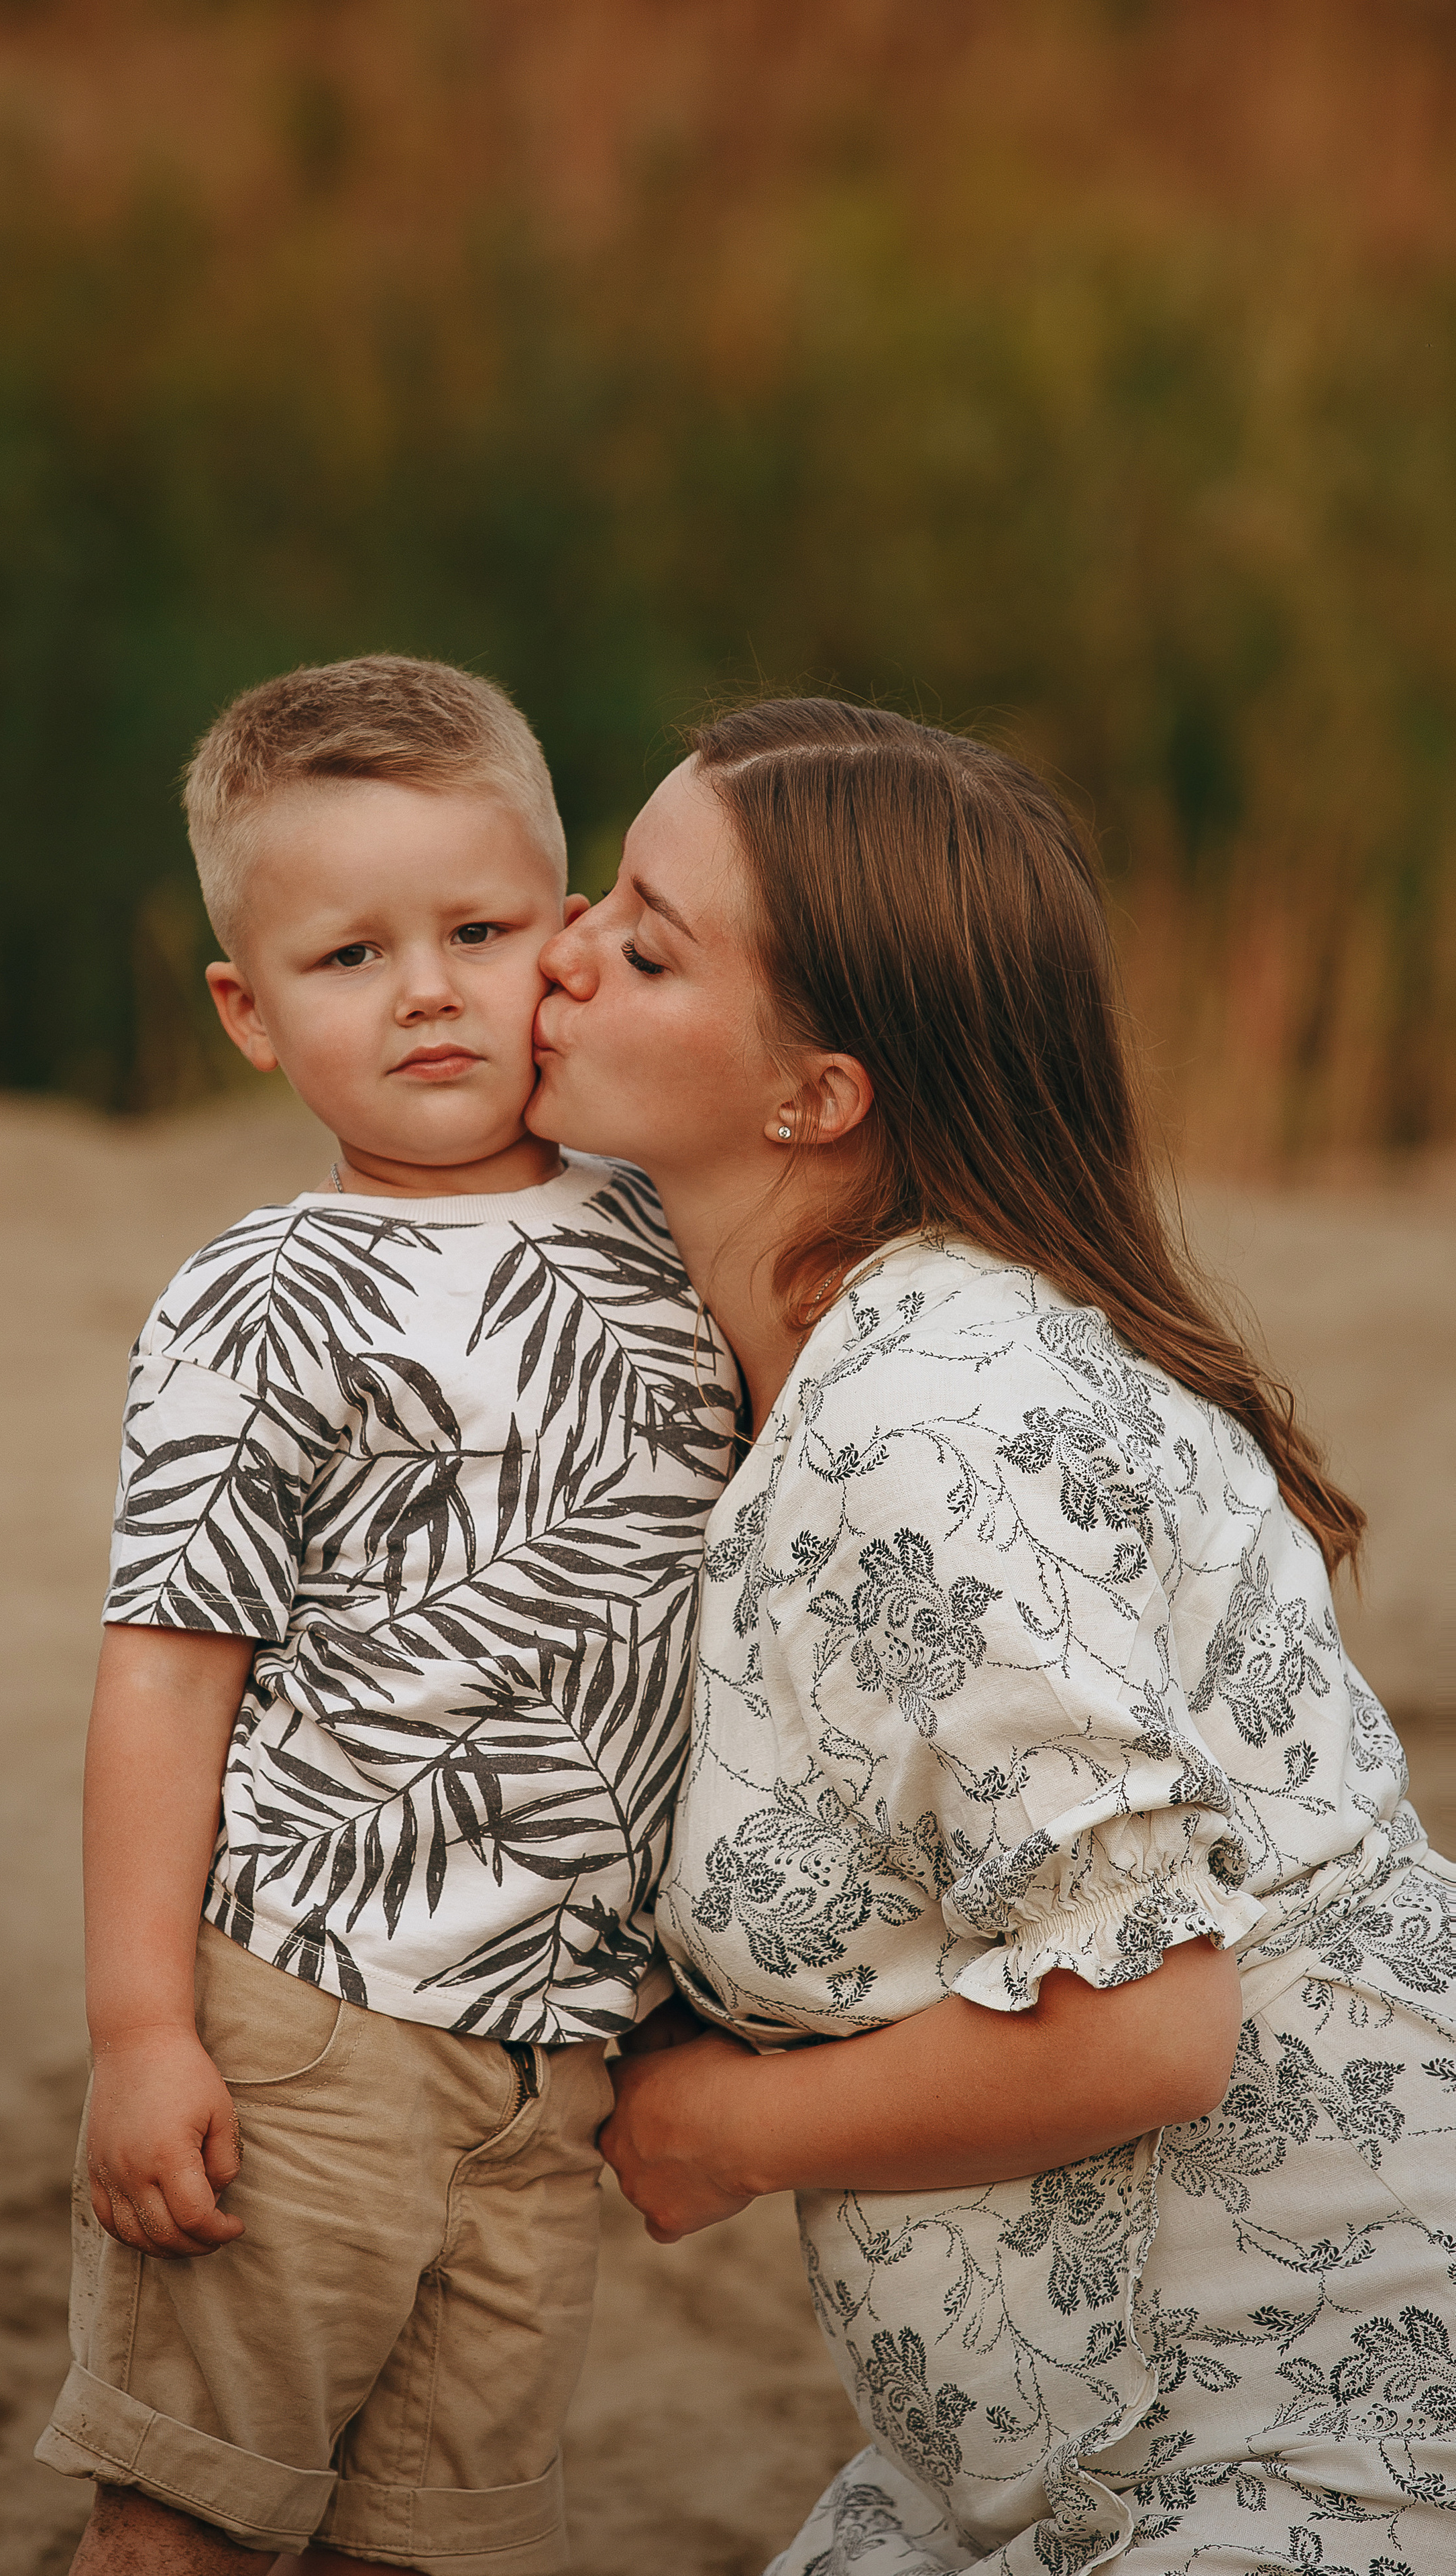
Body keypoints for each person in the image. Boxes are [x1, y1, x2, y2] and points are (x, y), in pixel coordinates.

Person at [526, 697, 1456, 2573]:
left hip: (1301, 2426)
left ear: (818, 1097)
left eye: (645, 946)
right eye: (597, 896)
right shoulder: (769, 1343)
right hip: (1059, 2449)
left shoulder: (930, 1429)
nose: (557, 952)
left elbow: (1150, 2028)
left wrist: (726, 2131)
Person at [35, 656, 741, 2575]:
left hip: (556, 2057)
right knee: (186, 2511)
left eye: (478, 933)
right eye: (350, 957)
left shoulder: (668, 1221)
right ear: (248, 1014)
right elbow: (167, 1673)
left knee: (441, 2534)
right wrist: (140, 2033)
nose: (427, 989)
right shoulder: (263, 1297)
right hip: (309, 2018)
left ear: (569, 939)